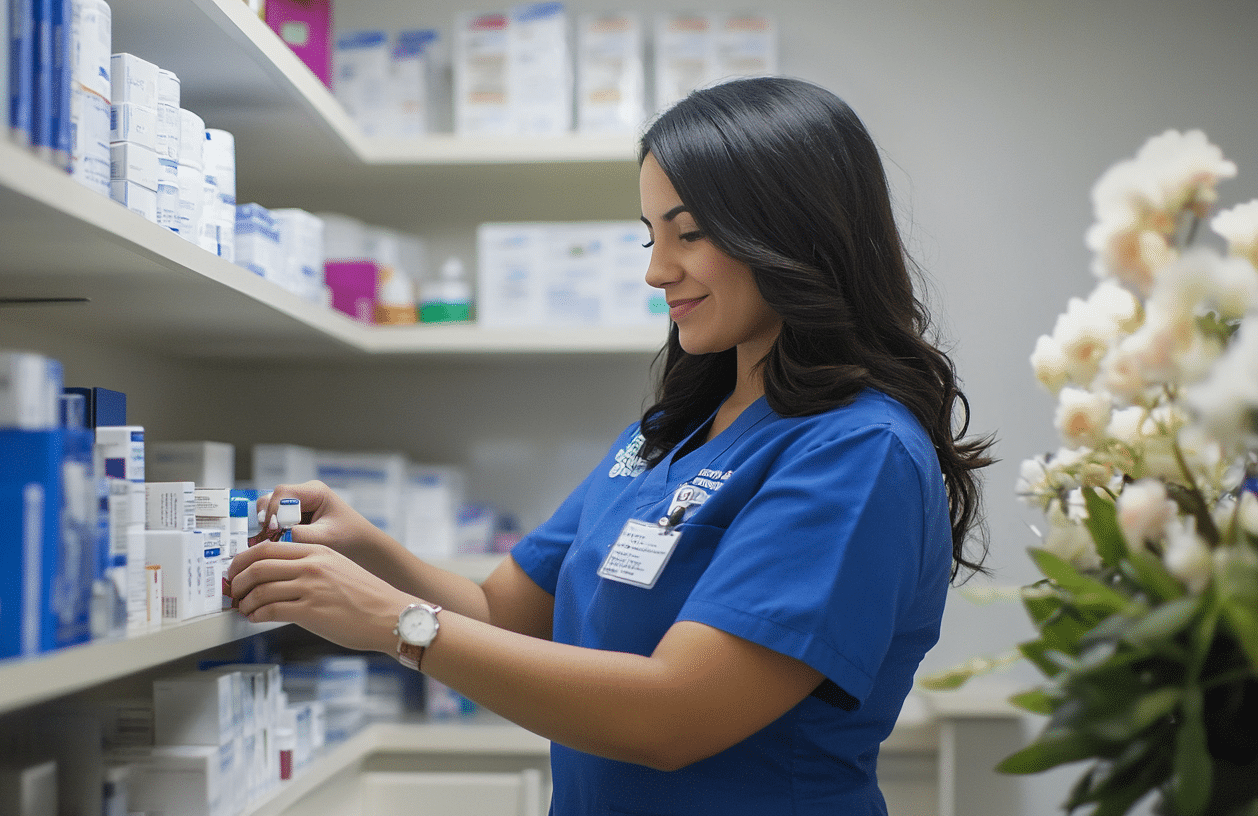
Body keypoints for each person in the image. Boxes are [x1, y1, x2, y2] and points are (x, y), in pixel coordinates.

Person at [227, 76, 994, 816]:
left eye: (689, 233)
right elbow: (502, 611)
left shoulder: (857, 452)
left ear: (793, 234)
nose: (659, 270)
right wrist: (368, 550)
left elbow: (673, 716)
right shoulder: (670, 435)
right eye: (650, 235)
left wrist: (397, 623)